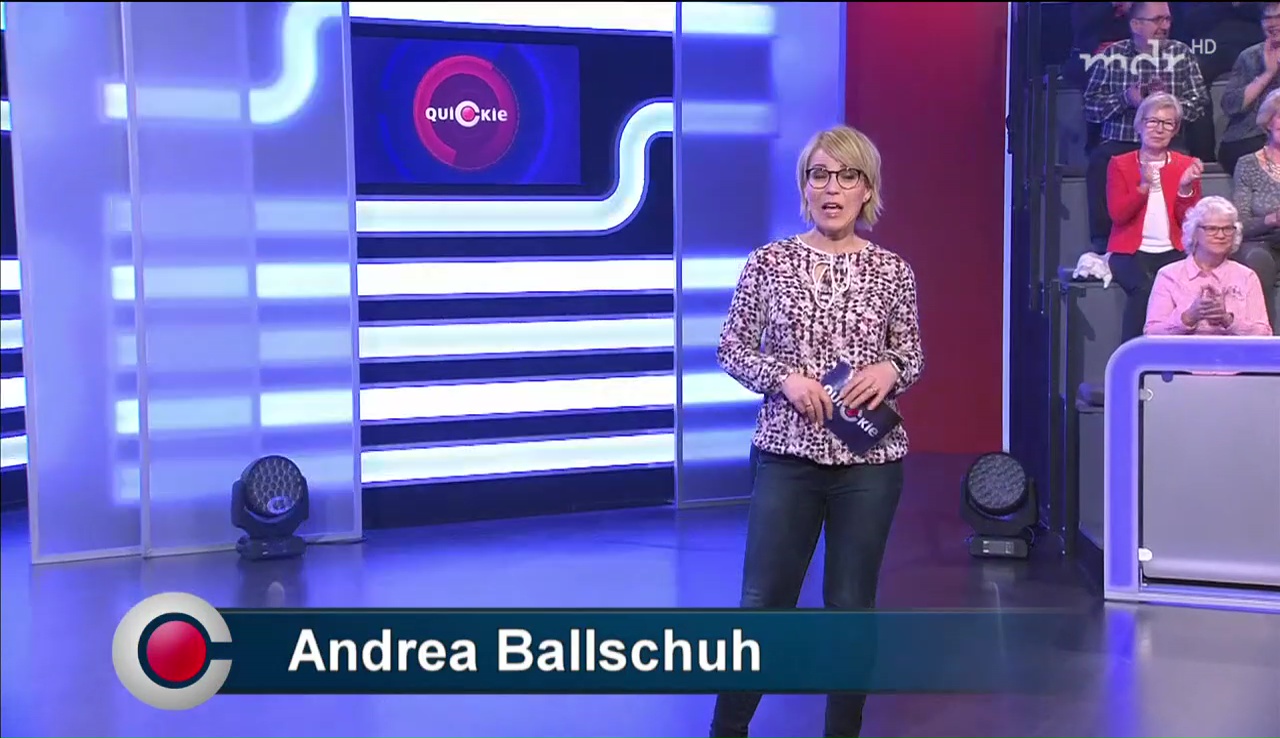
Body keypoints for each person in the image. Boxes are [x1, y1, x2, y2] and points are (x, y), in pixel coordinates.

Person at [710, 125, 923, 738]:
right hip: (787, 455)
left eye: (847, 176)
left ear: (867, 190)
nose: (832, 188)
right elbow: (731, 347)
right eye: (819, 175)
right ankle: (727, 730)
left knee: (851, 609)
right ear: (804, 187)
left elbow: (911, 353)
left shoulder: (892, 270)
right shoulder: (769, 263)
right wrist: (783, 378)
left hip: (869, 463)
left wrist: (891, 369)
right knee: (763, 606)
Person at [1082, 1, 1209, 252]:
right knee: (1099, 162)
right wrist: (1126, 99)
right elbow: (1090, 107)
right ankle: (1103, 243)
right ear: (1136, 24)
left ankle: (1180, 238)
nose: (1165, 26)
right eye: (1157, 20)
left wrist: (1166, 104)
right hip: (1121, 141)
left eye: (1168, 19)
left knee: (1184, 164)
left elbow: (1199, 103)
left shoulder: (1181, 54)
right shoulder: (1111, 56)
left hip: (1167, 141)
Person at [1104, 92, 1205, 342]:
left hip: (1173, 249)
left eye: (1167, 123)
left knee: (1184, 293)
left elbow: (1190, 223)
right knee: (1145, 290)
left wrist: (1185, 188)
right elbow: (1118, 215)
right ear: (1139, 125)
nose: (1159, 129)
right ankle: (1130, 355)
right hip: (1129, 252)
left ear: (1175, 130)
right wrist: (1143, 187)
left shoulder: (1186, 165)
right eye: (1152, 121)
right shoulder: (1120, 164)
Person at [1144, 195, 1274, 335]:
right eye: (1212, 229)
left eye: (1227, 229)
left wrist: (1227, 320)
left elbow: (1264, 333)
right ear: (1194, 233)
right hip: (1184, 349)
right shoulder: (1169, 276)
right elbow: (1152, 332)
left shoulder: (1247, 277)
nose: (1221, 235)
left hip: (1232, 349)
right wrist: (1188, 318)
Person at [1229, 87, 1280, 332]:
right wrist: (1272, 219)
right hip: (1261, 242)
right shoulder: (1248, 163)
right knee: (1257, 260)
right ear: (1269, 122)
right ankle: (1265, 339)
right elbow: (1240, 224)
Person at [1217, 2, 1280, 177]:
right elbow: (1230, 105)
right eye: (1267, 18)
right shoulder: (1249, 56)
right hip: (1247, 137)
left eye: (1279, 17)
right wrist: (1267, 74)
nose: (1273, 23)